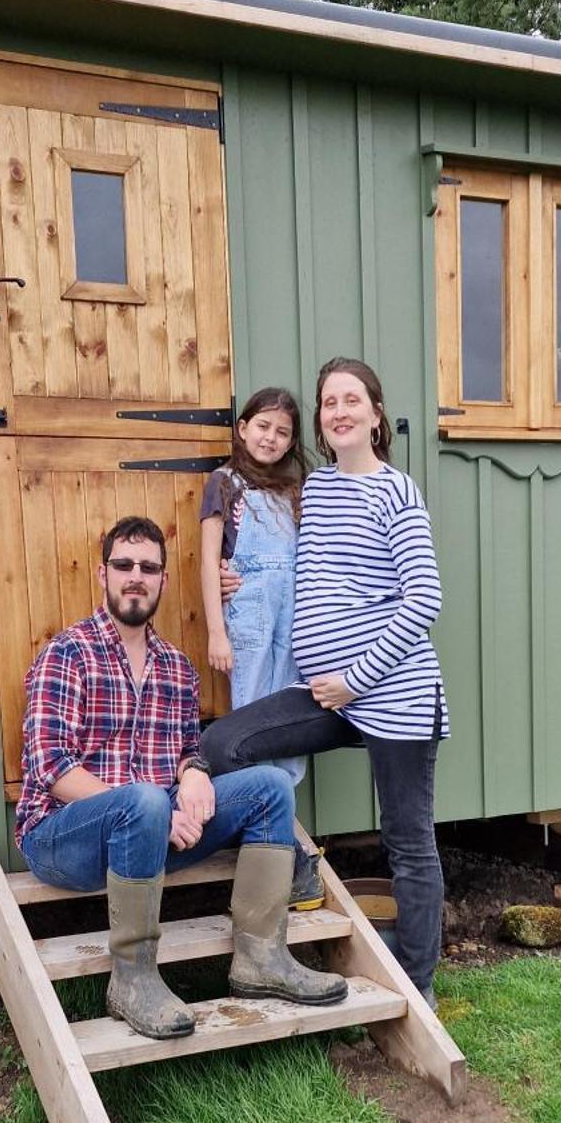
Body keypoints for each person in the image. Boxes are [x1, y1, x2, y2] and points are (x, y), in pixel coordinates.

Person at [15, 515, 347, 1040]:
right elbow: (52, 770)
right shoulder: (67, 654)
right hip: (64, 838)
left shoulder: (176, 668)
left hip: (153, 832)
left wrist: (194, 773)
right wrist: (156, 807)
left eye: (148, 567)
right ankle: (132, 979)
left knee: (270, 787)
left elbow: (188, 751)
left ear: (163, 581)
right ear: (103, 574)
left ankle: (261, 956)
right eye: (123, 565)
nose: (135, 576)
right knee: (143, 799)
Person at [200, 360, 449, 1006]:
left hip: (393, 695)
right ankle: (288, 866)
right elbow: (279, 560)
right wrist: (234, 580)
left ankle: (416, 986)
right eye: (327, 402)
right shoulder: (313, 491)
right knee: (226, 744)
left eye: (350, 400)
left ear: (373, 414)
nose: (337, 411)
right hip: (323, 696)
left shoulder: (395, 491)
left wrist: (356, 679)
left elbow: (423, 598)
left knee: (407, 841)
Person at [199, 387, 322, 911]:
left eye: (283, 431)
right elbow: (208, 562)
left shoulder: (297, 491)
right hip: (248, 615)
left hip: (293, 616)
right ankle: (277, 841)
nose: (270, 437)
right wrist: (215, 632)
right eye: (263, 426)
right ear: (243, 427)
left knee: (290, 719)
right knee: (249, 720)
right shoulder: (224, 484)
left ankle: (280, 832)